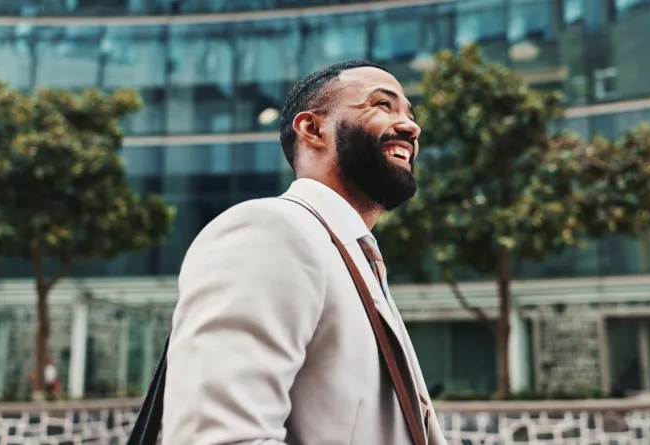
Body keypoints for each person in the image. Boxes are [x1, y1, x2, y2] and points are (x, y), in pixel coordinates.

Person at [162, 61, 447, 445]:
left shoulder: (352, 257)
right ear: (312, 129)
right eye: (382, 105)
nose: (411, 127)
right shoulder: (270, 231)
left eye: (410, 115)